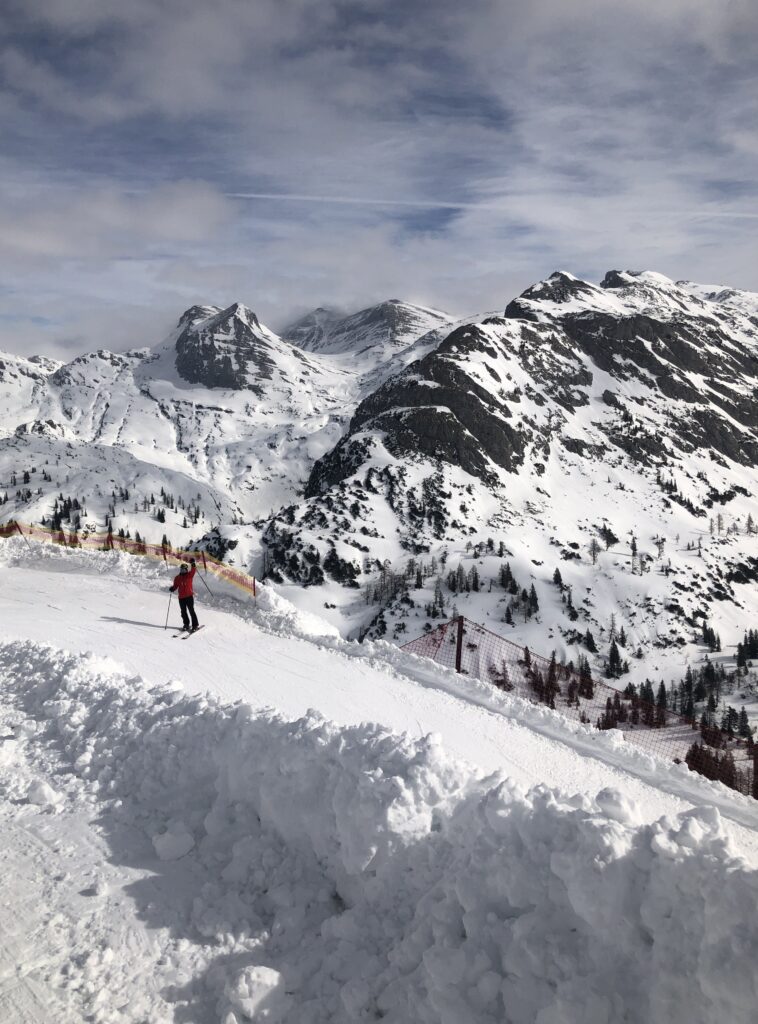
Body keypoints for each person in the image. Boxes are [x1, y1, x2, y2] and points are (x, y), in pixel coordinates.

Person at [170, 558, 200, 632]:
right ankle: (186, 624)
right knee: (183, 611)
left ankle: (195, 625)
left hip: (189, 596)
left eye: (184, 570)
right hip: (181, 597)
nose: (182, 571)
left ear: (186, 570)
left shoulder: (189, 575)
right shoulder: (177, 578)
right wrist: (172, 588)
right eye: (181, 569)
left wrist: (193, 563)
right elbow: (175, 585)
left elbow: (193, 570)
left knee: (191, 611)